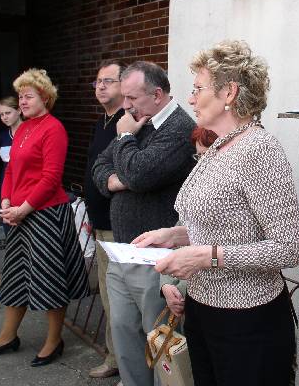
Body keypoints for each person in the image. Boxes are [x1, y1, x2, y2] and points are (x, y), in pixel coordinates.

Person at [133, 40, 299, 386]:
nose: (191, 98)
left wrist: (205, 257)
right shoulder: (218, 147)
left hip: (247, 322)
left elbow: (289, 248)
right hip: (202, 310)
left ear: (229, 92)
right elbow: (224, 225)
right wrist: (173, 235)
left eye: (198, 89)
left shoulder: (259, 149)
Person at [92, 61, 196, 386]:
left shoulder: (178, 129)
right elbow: (100, 165)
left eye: (132, 98)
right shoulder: (139, 122)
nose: (126, 106)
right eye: (124, 97)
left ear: (157, 94)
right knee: (124, 334)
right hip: (122, 251)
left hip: (156, 258)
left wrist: (125, 139)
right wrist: (116, 180)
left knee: (160, 341)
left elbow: (139, 173)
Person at [0, 69, 89, 367]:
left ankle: (54, 340)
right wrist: (5, 200)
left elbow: (51, 178)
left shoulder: (54, 129)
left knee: (50, 278)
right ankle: (7, 336)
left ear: (45, 98)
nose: (22, 102)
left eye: (28, 96)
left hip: (46, 215)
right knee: (15, 276)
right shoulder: (23, 128)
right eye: (20, 97)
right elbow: (12, 170)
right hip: (19, 214)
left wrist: (22, 208)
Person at [85, 61, 124, 379]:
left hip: (118, 226)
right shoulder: (102, 122)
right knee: (108, 299)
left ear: (124, 85)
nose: (100, 86)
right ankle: (115, 359)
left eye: (108, 81)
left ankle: (128, 366)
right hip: (99, 222)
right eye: (98, 81)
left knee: (119, 302)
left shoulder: (128, 123)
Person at [160, 126, 218, 317]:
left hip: (221, 302)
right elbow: (180, 238)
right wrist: (167, 285)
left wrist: (180, 289)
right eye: (199, 157)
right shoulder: (197, 189)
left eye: (207, 155)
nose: (202, 164)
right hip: (192, 299)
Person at [0, 96, 23, 186]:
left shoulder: (31, 132)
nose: (4, 117)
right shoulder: (3, 136)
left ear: (19, 111)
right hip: (6, 184)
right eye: (1, 114)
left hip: (24, 184)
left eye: (8, 113)